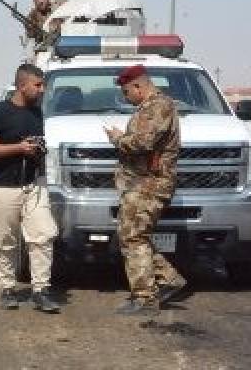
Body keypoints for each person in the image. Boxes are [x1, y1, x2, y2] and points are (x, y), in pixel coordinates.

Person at [104, 64, 187, 316]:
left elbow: (143, 142)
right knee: (134, 235)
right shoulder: (151, 107)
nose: (126, 97)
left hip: (149, 183)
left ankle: (145, 298)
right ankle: (168, 279)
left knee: (133, 237)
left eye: (127, 92)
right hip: (142, 183)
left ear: (139, 86)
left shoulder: (158, 106)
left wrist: (118, 138)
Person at [0, 63, 60, 313]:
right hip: (3, 186)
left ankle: (41, 290)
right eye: (38, 85)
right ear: (22, 85)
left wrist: (38, 152)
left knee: (43, 235)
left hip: (34, 185)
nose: (42, 89)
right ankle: (7, 288)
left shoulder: (36, 113)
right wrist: (19, 148)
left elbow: (35, 146)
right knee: (5, 240)